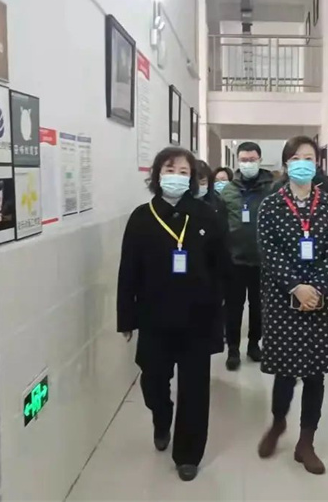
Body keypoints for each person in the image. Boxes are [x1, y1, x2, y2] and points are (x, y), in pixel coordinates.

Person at [117, 147, 229, 482]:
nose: (176, 177)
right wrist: (126, 318)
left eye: (184, 172)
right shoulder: (142, 217)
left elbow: (223, 268)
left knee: (195, 389)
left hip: (198, 317)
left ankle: (188, 455)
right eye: (170, 169)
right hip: (154, 317)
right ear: (156, 174)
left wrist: (219, 312)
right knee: (153, 380)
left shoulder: (207, 215)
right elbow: (128, 271)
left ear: (192, 178)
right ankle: (161, 416)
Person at [256, 136, 328, 475]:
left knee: (314, 374)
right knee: (285, 371)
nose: (303, 163)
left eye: (309, 157)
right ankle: (278, 422)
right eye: (296, 158)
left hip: (321, 299)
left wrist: (315, 288)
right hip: (284, 297)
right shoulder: (271, 205)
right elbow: (268, 250)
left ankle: (306, 441)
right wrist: (296, 287)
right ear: (286, 164)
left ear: (317, 163)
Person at [219, 142, 274, 370]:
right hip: (234, 260)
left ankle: (254, 344)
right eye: (244, 160)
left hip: (263, 260)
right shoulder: (228, 191)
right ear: (238, 161)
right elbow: (220, 225)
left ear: (260, 160)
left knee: (259, 307)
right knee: (233, 307)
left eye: (252, 159)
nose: (248, 163)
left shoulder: (272, 189)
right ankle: (233, 349)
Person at [197, 160, 231, 356]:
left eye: (203, 181)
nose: (199, 185)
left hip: (211, 276)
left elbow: (223, 241)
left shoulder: (217, 205)